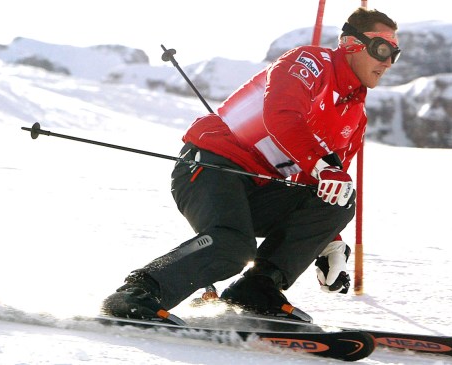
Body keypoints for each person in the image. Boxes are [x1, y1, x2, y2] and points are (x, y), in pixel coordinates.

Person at [102, 7, 400, 323]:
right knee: (232, 244)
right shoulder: (310, 63)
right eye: (382, 49)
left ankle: (256, 289)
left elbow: (325, 185)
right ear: (351, 43)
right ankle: (138, 292)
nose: (388, 62)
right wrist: (324, 164)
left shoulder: (355, 115)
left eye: (396, 54)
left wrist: (330, 244)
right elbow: (282, 115)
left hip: (259, 188)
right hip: (212, 165)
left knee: (340, 199)